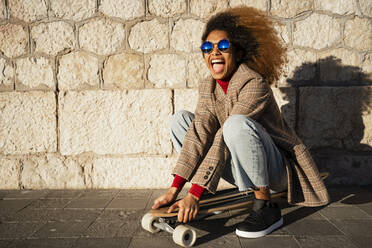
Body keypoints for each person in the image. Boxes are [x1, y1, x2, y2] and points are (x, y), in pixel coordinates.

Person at [152, 6, 330, 238]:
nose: (214, 52)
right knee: (182, 120)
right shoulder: (208, 86)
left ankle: (265, 207)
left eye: (223, 46)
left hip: (275, 171)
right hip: (240, 165)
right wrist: (174, 190)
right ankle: (206, 189)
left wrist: (194, 192)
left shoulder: (254, 83)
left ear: (237, 51)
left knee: (235, 124)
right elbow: (199, 133)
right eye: (207, 47)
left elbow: (225, 134)